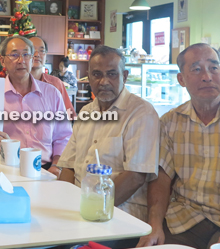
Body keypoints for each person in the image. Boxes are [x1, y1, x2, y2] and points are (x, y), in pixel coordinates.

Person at [137, 43, 220, 249]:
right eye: (197, 69)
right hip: (182, 219)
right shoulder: (170, 122)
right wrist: (154, 226)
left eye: (214, 68)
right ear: (181, 80)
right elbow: (161, 179)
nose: (207, 76)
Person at [58, 46, 159, 223]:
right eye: (97, 74)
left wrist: (94, 210)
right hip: (78, 210)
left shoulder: (140, 113)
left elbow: (136, 176)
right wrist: (63, 203)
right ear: (88, 77)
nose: (104, 81)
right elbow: (68, 166)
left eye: (112, 74)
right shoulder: (87, 112)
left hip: (118, 214)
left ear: (125, 76)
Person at [0, 36, 72, 174]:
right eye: (14, 55)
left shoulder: (52, 93)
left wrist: (56, 166)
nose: (21, 60)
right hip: (6, 169)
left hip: (46, 169)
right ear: (2, 61)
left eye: (26, 54)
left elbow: (63, 137)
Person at [29, 36, 76, 118]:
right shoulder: (14, 84)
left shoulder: (56, 84)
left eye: (42, 51)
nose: (37, 54)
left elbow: (69, 115)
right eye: (32, 50)